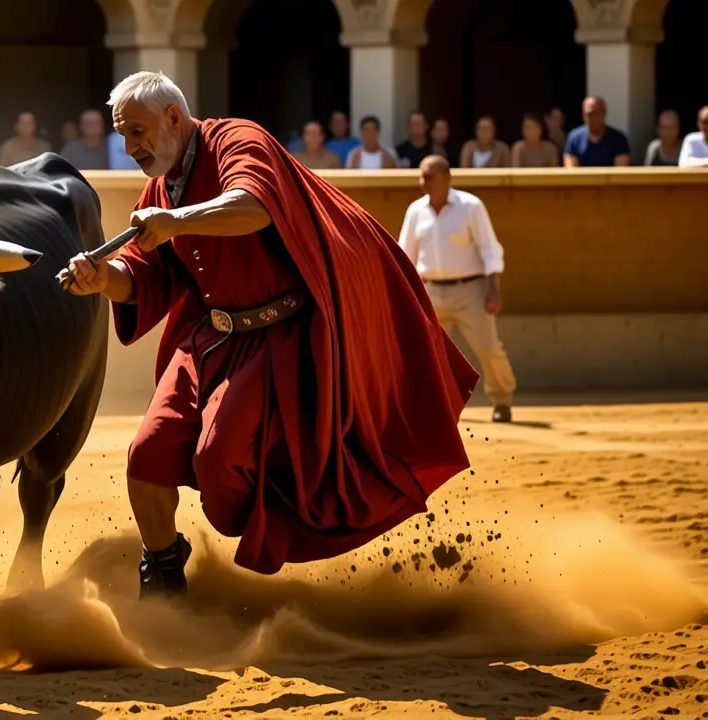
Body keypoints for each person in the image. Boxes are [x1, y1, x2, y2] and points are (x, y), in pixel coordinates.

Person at [63, 71, 477, 594]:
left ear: (173, 117)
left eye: (138, 131)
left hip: (280, 343)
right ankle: (163, 573)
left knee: (219, 472)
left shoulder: (239, 139)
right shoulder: (163, 184)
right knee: (146, 457)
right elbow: (150, 276)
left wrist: (177, 219)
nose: (130, 147)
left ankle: (282, 514)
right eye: (124, 135)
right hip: (210, 341)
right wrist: (105, 279)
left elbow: (256, 205)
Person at [398, 156, 517, 423]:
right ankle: (430, 407)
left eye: (429, 176)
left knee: (488, 348)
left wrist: (493, 288)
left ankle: (502, 399)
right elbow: (406, 255)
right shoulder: (415, 211)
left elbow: (489, 248)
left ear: (446, 178)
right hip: (430, 292)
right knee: (424, 353)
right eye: (421, 176)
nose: (422, 182)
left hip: (470, 290)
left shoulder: (471, 206)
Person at [563, 96, 631, 167]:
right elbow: (571, 171)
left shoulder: (618, 140)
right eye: (588, 115)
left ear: (604, 113)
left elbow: (621, 172)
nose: (591, 119)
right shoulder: (575, 138)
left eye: (595, 114)